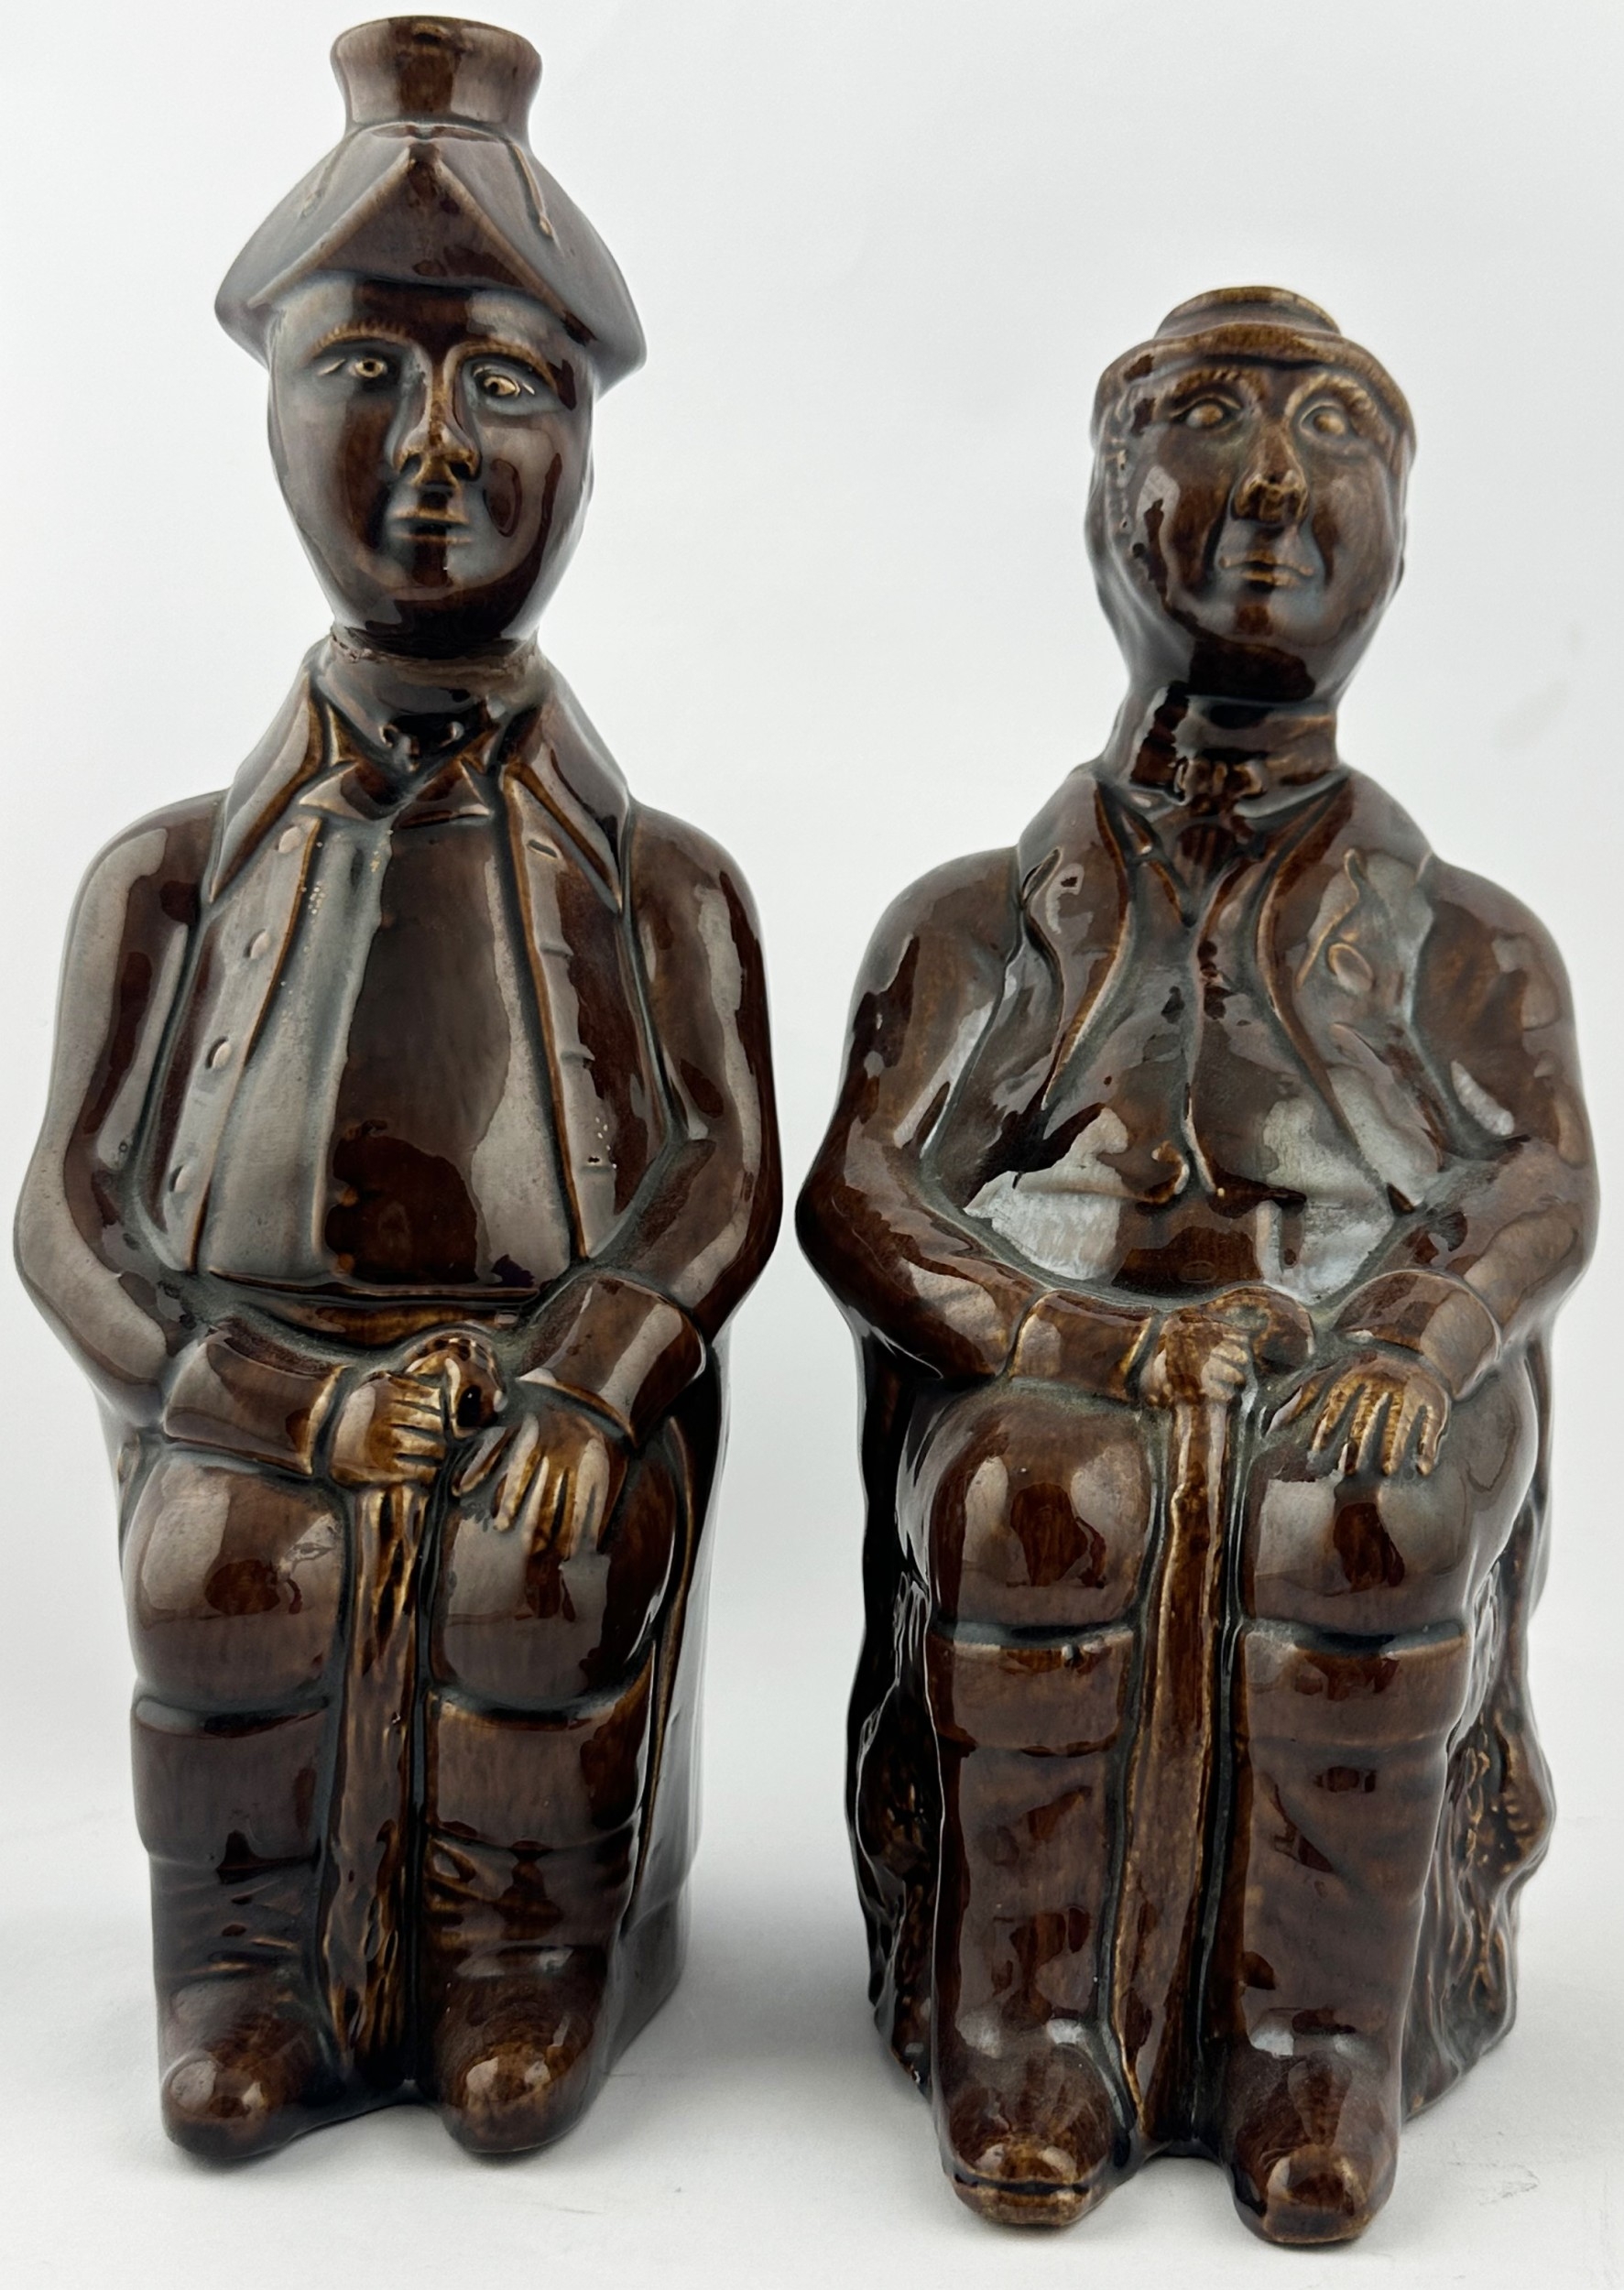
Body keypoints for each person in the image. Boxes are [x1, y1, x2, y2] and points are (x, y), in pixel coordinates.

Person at [16, 16, 779, 2162]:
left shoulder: (655, 878)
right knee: (220, 1572)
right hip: (260, 1382)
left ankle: (530, 1960)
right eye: (364, 368)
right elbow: (65, 1212)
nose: (435, 445)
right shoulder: (169, 877)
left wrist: (589, 1372)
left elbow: (725, 1174)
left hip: (545, 1382)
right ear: (270, 408)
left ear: (583, 445)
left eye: (504, 383)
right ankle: (238, 1970)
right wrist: (257, 1392)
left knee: (535, 1580)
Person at [798, 287, 1595, 2244]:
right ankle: (1025, 2020)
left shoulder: (1466, 940)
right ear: (1105, 509)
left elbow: (1540, 1182)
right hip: (1054, 1363)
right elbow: (861, 1193)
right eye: (1209, 426)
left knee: (1364, 1514)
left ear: (1397, 539)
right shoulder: (974, 922)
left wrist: (1417, 1327)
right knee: (1034, 1495)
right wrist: (1059, 1330)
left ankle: (1316, 2042)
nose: (1268, 485)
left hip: (1353, 1362)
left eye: (1330, 438)